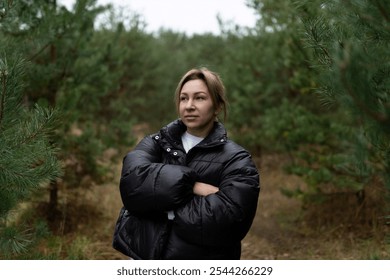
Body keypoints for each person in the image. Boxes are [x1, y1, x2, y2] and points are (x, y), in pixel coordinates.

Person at [118, 67, 260, 260]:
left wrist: (157, 204)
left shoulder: (237, 159)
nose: (189, 105)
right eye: (184, 98)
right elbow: (130, 185)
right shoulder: (156, 143)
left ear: (217, 106)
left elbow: (229, 221)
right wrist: (192, 186)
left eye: (199, 98)